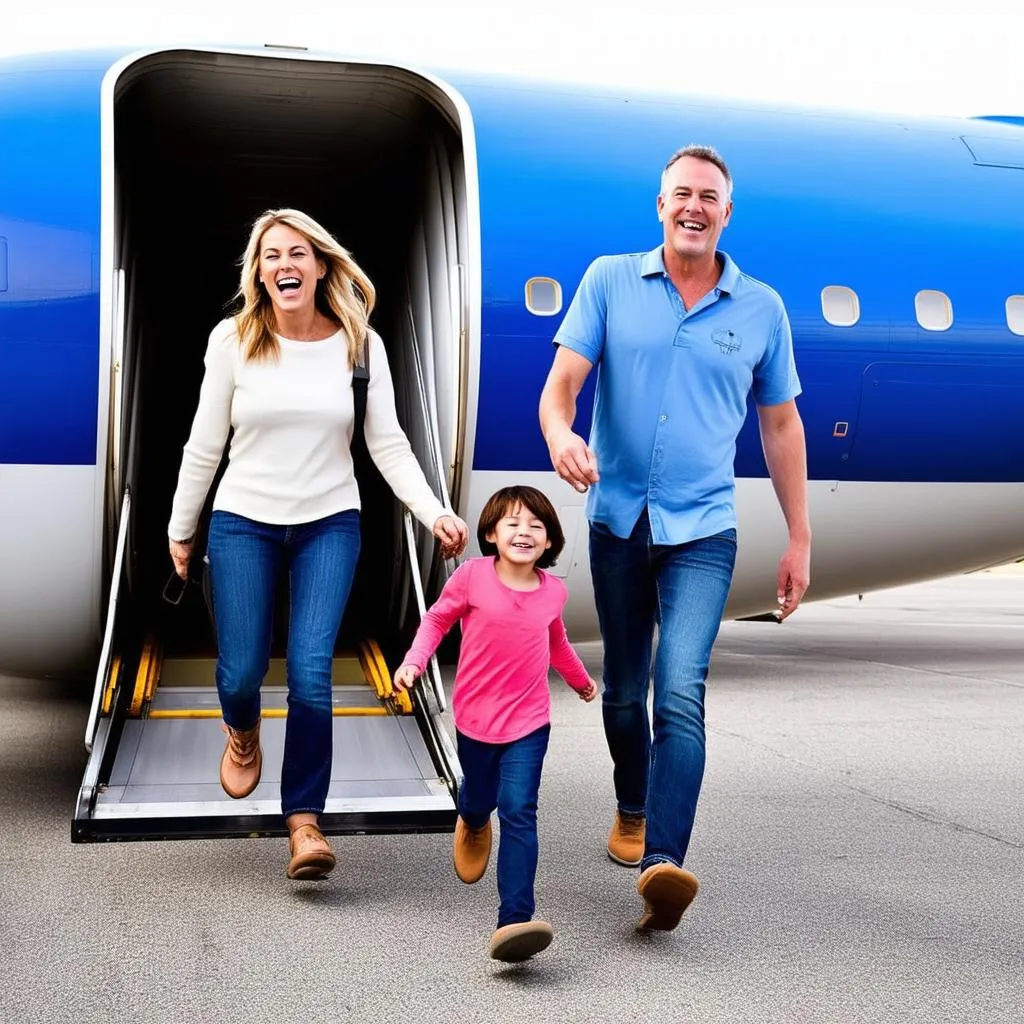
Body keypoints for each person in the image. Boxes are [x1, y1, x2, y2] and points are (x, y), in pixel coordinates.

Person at [538, 145, 811, 933]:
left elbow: (782, 425)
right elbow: (562, 387)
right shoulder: (609, 281)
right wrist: (560, 433)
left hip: (703, 531)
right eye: (680, 194)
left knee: (679, 693)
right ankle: (631, 803)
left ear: (728, 214)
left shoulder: (761, 309)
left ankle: (663, 863)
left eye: (709, 197)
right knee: (624, 694)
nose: (694, 206)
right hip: (618, 521)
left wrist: (799, 538)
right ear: (660, 206)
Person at [167, 208, 469, 881]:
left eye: (297, 253)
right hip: (242, 520)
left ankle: (304, 822)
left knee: (310, 673)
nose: (285, 266)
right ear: (259, 273)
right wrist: (180, 529)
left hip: (330, 523)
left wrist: (431, 512)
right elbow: (204, 444)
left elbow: (385, 443)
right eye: (271, 255)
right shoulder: (233, 341)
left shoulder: (361, 345)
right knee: (242, 672)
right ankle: (242, 732)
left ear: (321, 264)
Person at [392, 485, 598, 963]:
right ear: (490, 532)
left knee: (520, 810)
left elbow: (557, 644)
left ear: (549, 542)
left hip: (529, 722)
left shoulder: (554, 592)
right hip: (476, 719)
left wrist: (581, 681)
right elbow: (437, 621)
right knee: (480, 796)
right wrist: (414, 662)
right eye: (513, 522)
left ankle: (515, 918)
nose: (524, 532)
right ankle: (472, 817)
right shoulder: (471, 577)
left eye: (536, 526)